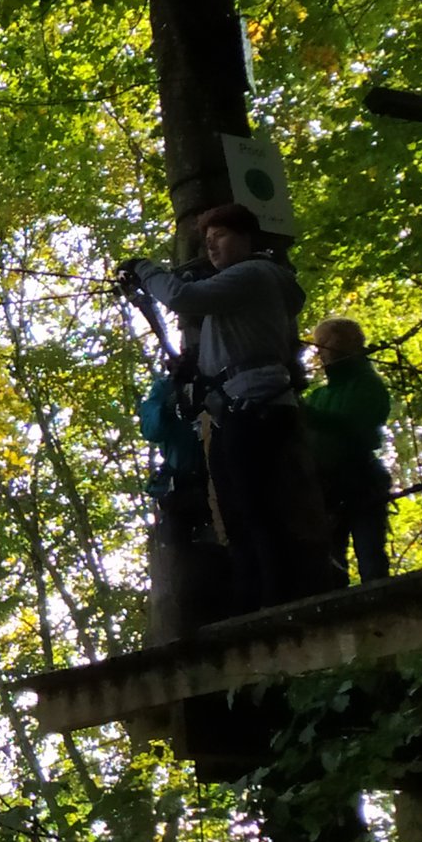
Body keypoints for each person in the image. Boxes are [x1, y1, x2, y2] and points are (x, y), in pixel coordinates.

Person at [121, 203, 339, 613]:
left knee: (254, 508)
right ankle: (254, 597)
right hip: (240, 409)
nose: (211, 246)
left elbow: (183, 297)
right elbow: (226, 348)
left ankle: (273, 599)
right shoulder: (240, 291)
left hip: (255, 408)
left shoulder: (253, 274)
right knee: (236, 511)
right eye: (207, 240)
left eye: (219, 236)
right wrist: (194, 368)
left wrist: (144, 269)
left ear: (245, 238)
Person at [304, 316, 392, 584]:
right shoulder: (319, 395)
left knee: (370, 554)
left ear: (348, 343)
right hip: (326, 488)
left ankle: (380, 600)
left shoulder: (368, 384)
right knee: (330, 560)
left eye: (325, 342)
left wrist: (306, 415)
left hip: (361, 480)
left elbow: (353, 425)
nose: (320, 351)